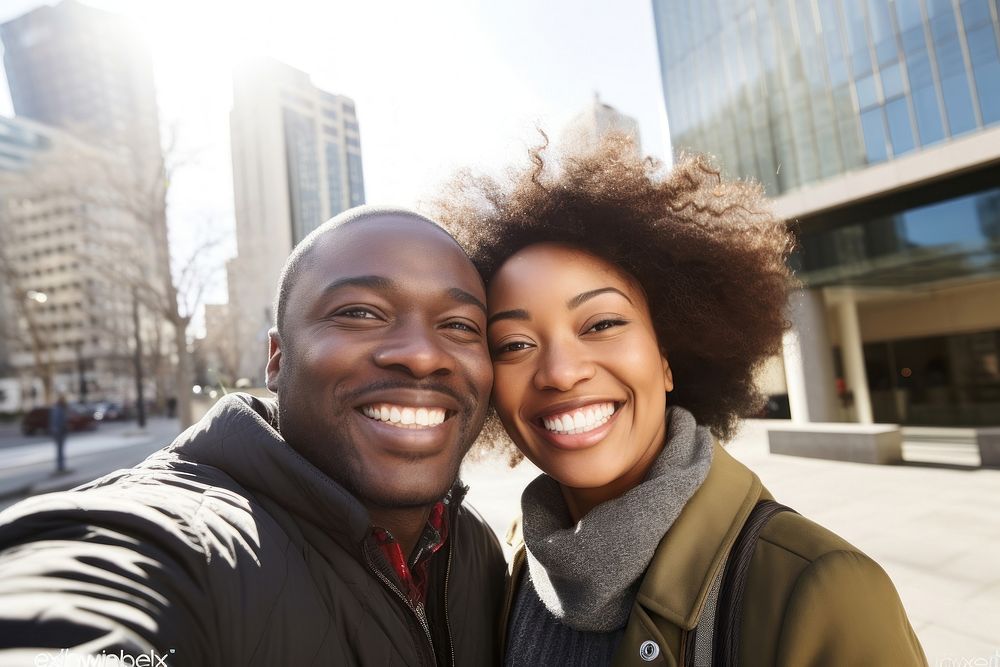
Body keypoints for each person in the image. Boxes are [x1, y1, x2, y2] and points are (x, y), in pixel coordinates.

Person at [440, 136, 927, 666]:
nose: (560, 372)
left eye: (602, 324)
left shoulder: (822, 589)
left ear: (666, 357)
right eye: (514, 345)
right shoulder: (514, 558)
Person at [0, 207, 505, 666]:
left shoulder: (476, 549)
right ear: (278, 359)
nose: (421, 355)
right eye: (360, 313)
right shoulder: (178, 543)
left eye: (460, 325)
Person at [49, 395, 68, 474]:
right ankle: (60, 467)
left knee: (60, 451)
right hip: (59, 433)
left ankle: (61, 466)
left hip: (60, 433)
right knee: (60, 451)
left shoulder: (59, 409)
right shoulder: (58, 409)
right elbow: (57, 423)